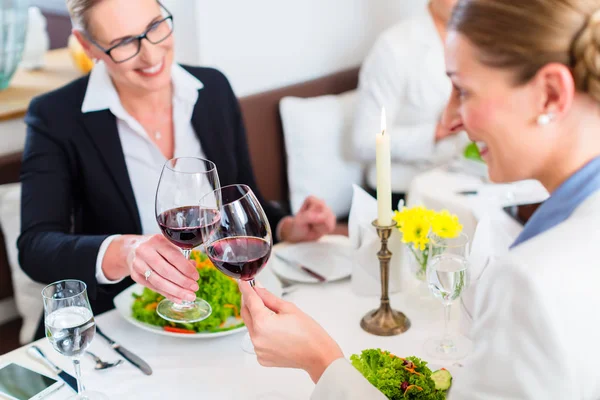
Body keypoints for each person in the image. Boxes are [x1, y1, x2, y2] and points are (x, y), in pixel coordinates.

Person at [239, 0, 600, 398]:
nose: (449, 121)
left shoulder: (533, 283)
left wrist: (320, 360)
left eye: (463, 90)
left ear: (550, 94)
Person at [18, 0, 336, 340]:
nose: (152, 55)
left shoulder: (213, 89)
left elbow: (238, 201)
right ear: (88, 47)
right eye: (124, 42)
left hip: (221, 316)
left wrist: (288, 227)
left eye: (155, 26)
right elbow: (35, 246)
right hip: (117, 326)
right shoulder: (55, 116)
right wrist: (124, 252)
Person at [352, 0, 468, 206]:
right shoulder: (394, 46)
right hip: (399, 194)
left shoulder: (474, 41)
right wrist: (437, 131)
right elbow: (363, 141)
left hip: (458, 181)